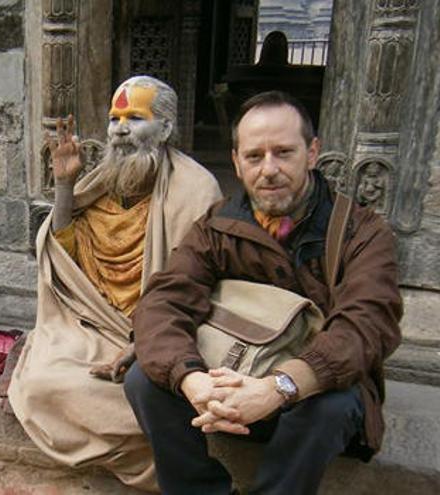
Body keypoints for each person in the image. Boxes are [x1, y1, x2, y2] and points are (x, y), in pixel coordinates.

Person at [124, 91, 402, 495]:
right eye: (255, 156)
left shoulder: (362, 231)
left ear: (312, 153)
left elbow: (367, 327)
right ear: (236, 161)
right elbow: (164, 302)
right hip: (227, 382)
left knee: (333, 406)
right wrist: (192, 380)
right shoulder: (217, 225)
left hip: (304, 390)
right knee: (143, 381)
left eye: (283, 152)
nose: (269, 169)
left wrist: (277, 388)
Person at [7, 76, 222, 490]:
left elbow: (203, 285)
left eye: (134, 117)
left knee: (148, 395)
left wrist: (145, 340)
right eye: (114, 117)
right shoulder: (103, 180)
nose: (120, 128)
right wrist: (66, 185)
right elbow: (64, 257)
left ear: (164, 128)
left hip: (163, 332)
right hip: (92, 324)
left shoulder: (196, 190)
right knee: (38, 386)